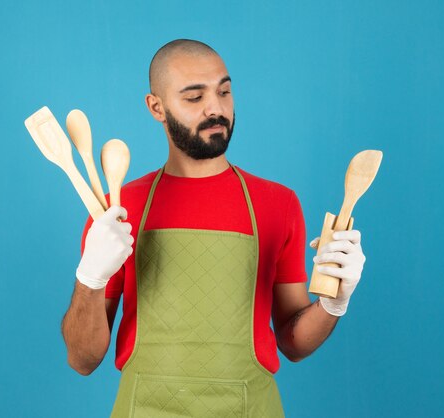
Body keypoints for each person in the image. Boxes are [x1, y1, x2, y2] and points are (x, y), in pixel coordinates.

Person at [61, 39, 367, 417]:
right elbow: (83, 358)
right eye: (194, 97)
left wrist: (334, 303)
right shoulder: (117, 211)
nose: (216, 108)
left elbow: (293, 342)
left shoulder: (277, 204)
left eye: (224, 91)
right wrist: (89, 280)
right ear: (156, 107)